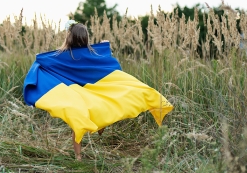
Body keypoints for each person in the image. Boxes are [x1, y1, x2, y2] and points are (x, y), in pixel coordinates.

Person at [23, 20, 173, 161]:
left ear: (69, 38)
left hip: (78, 96)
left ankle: (78, 157)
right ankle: (100, 126)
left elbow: (43, 60)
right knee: (103, 106)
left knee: (78, 119)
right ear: (86, 38)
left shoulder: (59, 56)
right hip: (94, 93)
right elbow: (105, 52)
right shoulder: (94, 53)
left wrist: (40, 62)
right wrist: (104, 45)